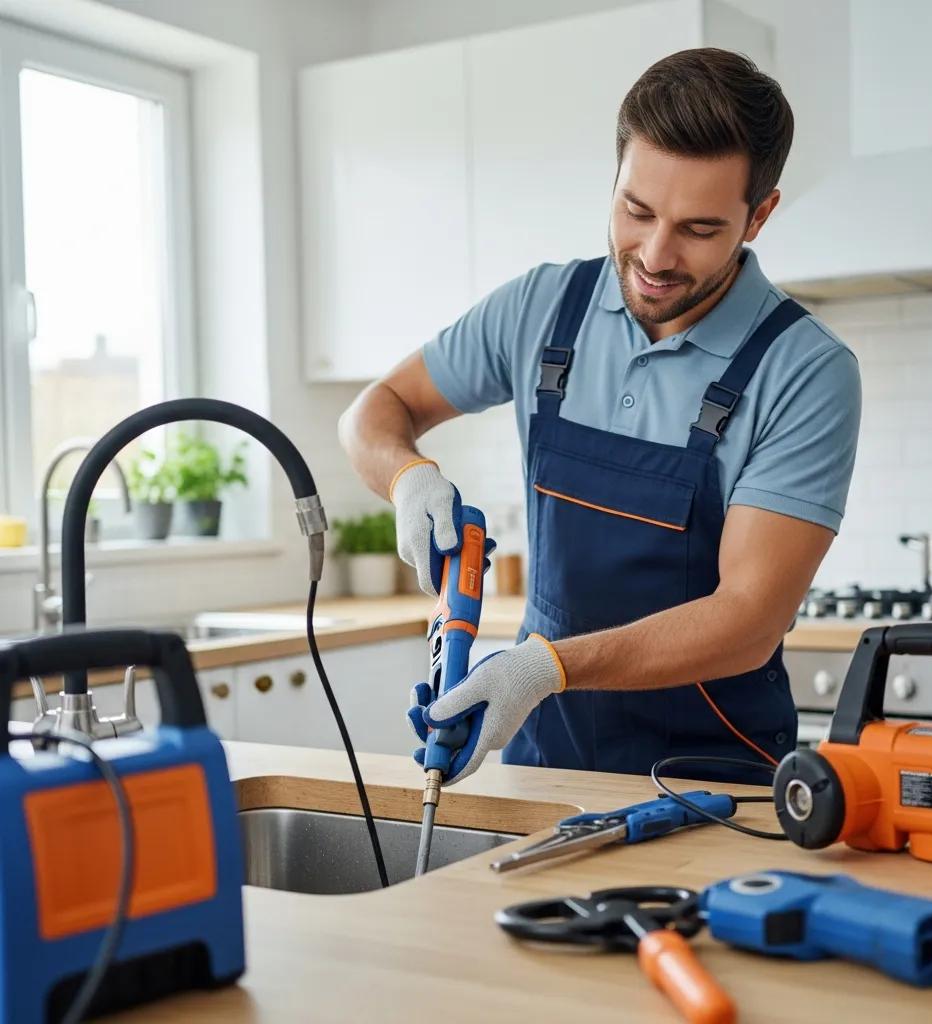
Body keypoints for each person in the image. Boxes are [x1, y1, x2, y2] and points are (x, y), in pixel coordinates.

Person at [340, 48, 861, 786]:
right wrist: (408, 480)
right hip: (541, 757)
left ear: (760, 215)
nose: (654, 255)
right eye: (635, 210)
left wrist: (546, 667)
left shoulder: (805, 369)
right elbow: (372, 412)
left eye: (699, 229)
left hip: (710, 785)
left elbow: (748, 620)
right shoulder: (540, 308)